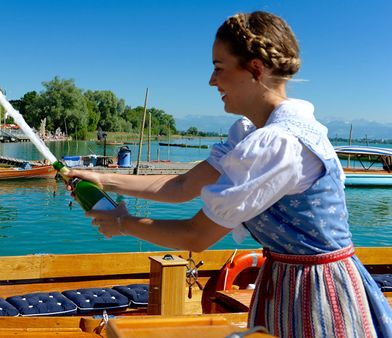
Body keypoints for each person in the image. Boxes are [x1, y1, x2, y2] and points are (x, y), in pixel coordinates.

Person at [66, 11, 392, 337]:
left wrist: (122, 223)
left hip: (316, 295)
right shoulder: (254, 134)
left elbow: (197, 236)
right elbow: (180, 186)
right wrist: (101, 178)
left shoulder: (277, 143)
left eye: (218, 68)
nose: (211, 80)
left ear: (255, 69)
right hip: (288, 283)